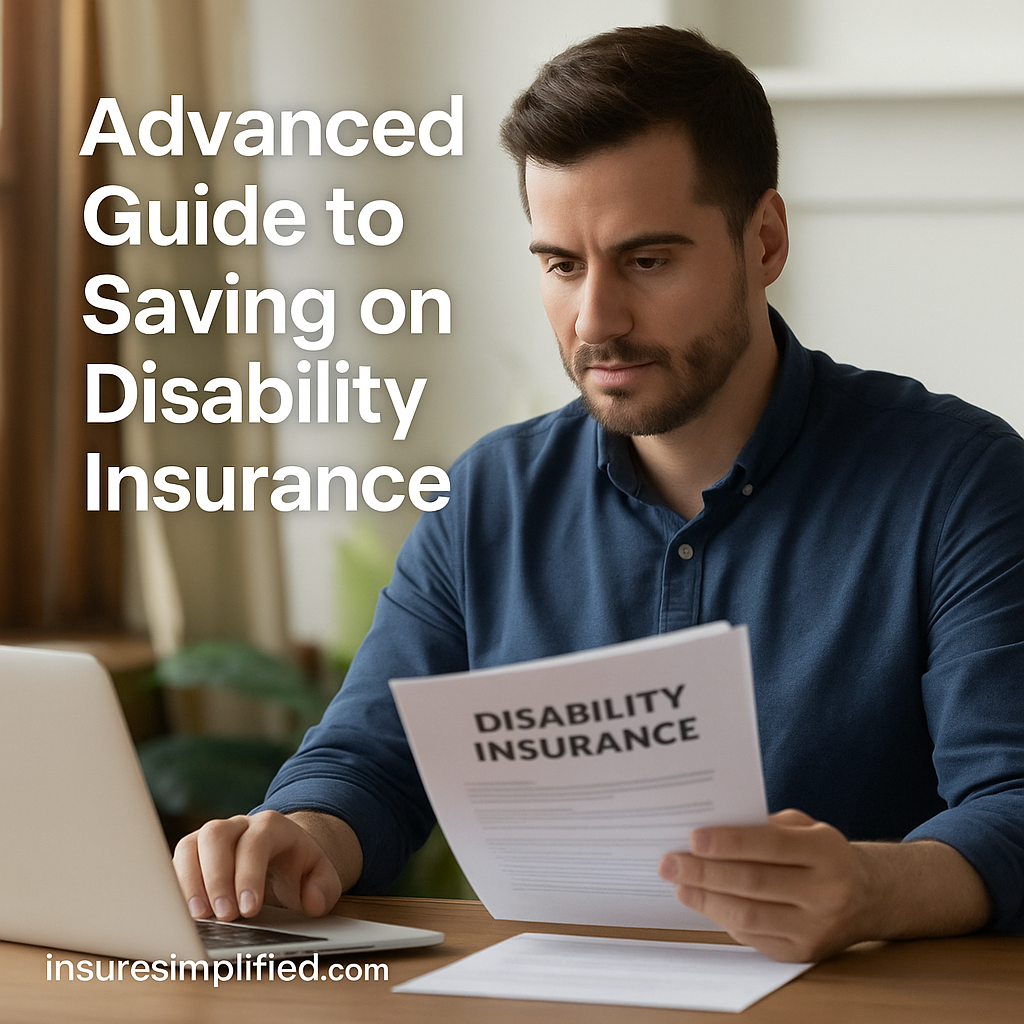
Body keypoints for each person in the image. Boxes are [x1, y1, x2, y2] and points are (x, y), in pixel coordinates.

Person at [172, 26, 1024, 962]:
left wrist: (872, 889)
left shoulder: (960, 483)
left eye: (648, 261)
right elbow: (371, 760)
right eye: (562, 265)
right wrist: (303, 836)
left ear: (766, 240)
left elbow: (1015, 800)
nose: (596, 321)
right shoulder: (487, 498)